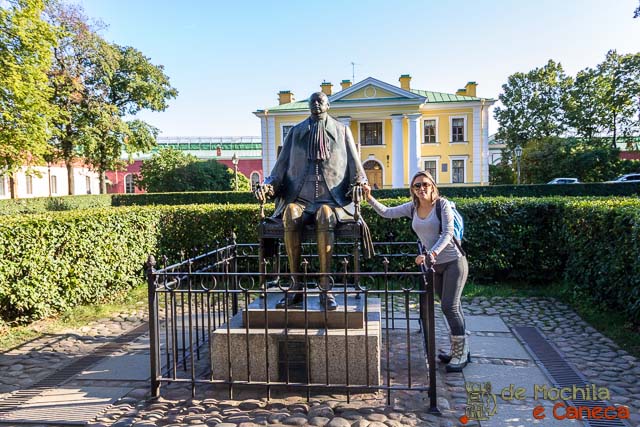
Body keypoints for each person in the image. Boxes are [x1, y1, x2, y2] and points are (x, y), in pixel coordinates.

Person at [254, 92, 367, 310]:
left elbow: (357, 168)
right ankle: (296, 286)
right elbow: (278, 170)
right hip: (300, 198)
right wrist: (268, 186)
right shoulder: (296, 132)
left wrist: (360, 184)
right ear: (308, 105)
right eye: (313, 101)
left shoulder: (342, 131)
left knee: (325, 215)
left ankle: (326, 288)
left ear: (328, 105)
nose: (316, 104)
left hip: (332, 201)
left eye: (321, 101)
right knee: (290, 214)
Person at [362, 171, 470, 372]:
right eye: (417, 186)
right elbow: (387, 212)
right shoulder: (413, 207)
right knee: (453, 306)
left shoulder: (442, 205)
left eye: (425, 184)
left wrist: (431, 253)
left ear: (433, 186)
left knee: (449, 307)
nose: (421, 189)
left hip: (454, 261)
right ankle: (461, 349)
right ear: (413, 189)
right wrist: (369, 197)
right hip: (435, 265)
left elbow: (447, 233)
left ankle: (460, 354)